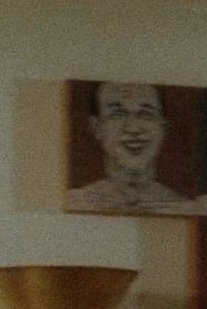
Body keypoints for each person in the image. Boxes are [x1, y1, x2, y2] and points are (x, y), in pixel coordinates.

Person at [67, 81, 188, 213]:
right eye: (117, 114)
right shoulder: (74, 202)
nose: (133, 128)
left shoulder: (184, 208)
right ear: (96, 127)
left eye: (146, 114)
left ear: (163, 127)